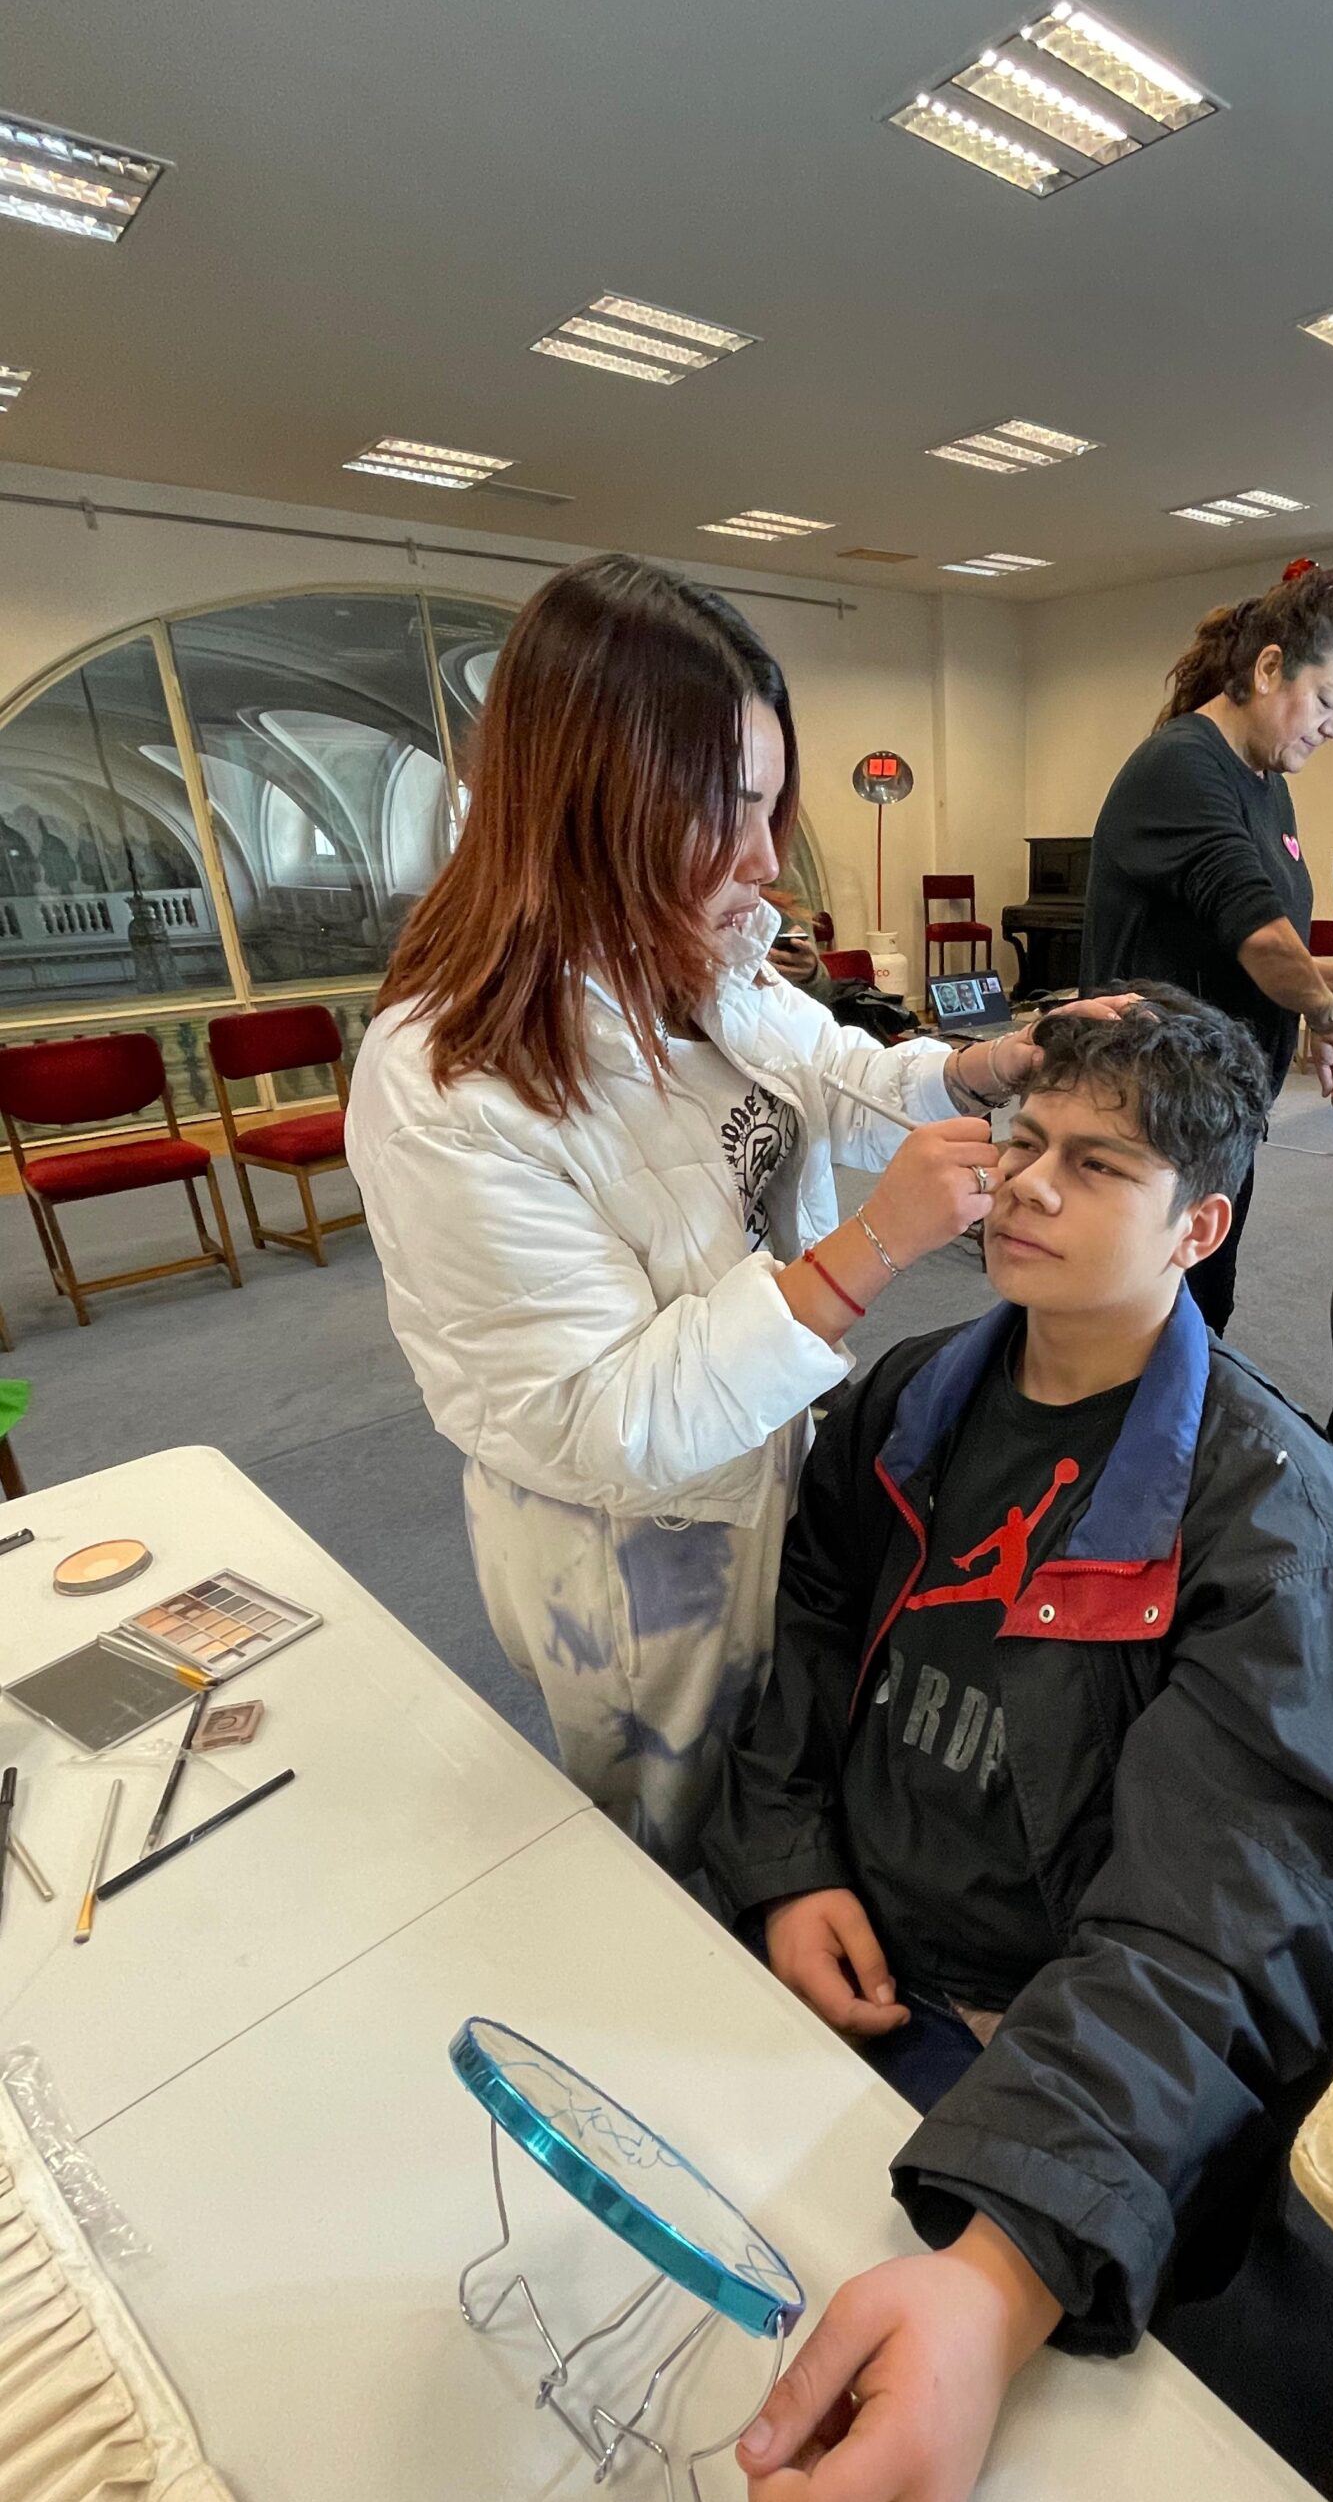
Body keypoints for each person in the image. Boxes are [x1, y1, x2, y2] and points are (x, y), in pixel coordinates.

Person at [703, 991, 1333, 2502]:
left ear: (1199, 1226)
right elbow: (807, 1644)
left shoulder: (1267, 1517)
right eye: (1021, 1140)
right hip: (847, 1949)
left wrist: (1001, 2267)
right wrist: (788, 1862)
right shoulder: (909, 1399)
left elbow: (1232, 1915)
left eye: (1094, 1167)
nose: (1022, 1183)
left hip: (1047, 2048)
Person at [347, 555, 1111, 1871]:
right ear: (596, 805)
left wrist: (970, 1071)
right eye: (732, 811)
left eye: (774, 810)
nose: (764, 862)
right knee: (679, 1856)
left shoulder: (690, 954)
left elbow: (835, 1080)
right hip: (633, 1558)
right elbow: (608, 1421)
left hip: (763, 1457)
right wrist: (869, 1253)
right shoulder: (449, 1083)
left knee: (799, 1786)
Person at [1081, 559, 1333, 1333]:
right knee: (1138, 1318)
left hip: (1219, 1099)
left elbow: (1234, 936)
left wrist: (1322, 976)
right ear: (1266, 668)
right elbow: (1255, 932)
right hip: (1145, 1102)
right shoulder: (1185, 765)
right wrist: (1327, 1018)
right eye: (1328, 700)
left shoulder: (1265, 778)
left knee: (1201, 1305)